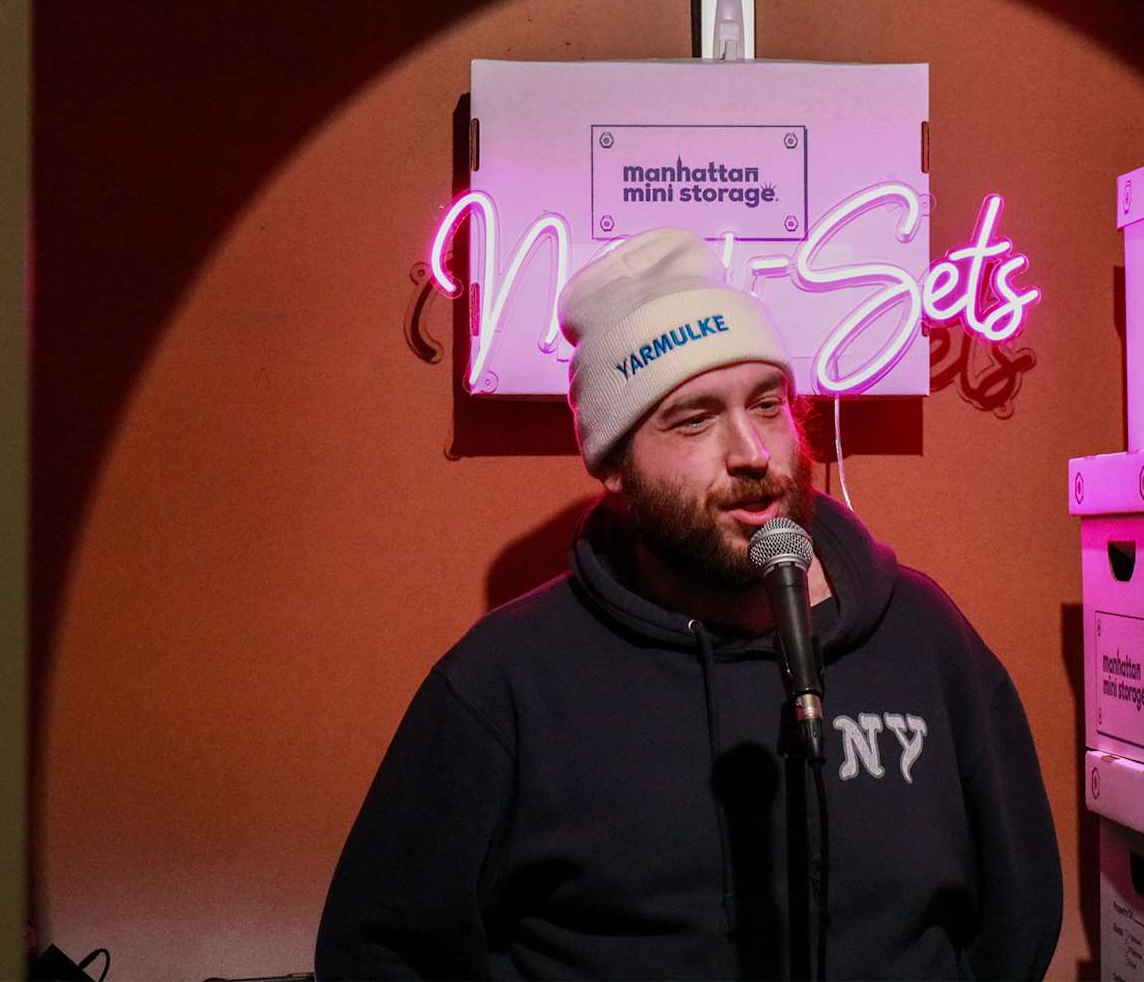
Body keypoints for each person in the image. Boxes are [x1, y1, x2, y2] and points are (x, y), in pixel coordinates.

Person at [315, 228, 1062, 980]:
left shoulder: (924, 639)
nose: (753, 453)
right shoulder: (506, 681)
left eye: (767, 405)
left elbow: (1016, 922)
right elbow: (380, 951)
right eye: (695, 418)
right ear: (614, 465)